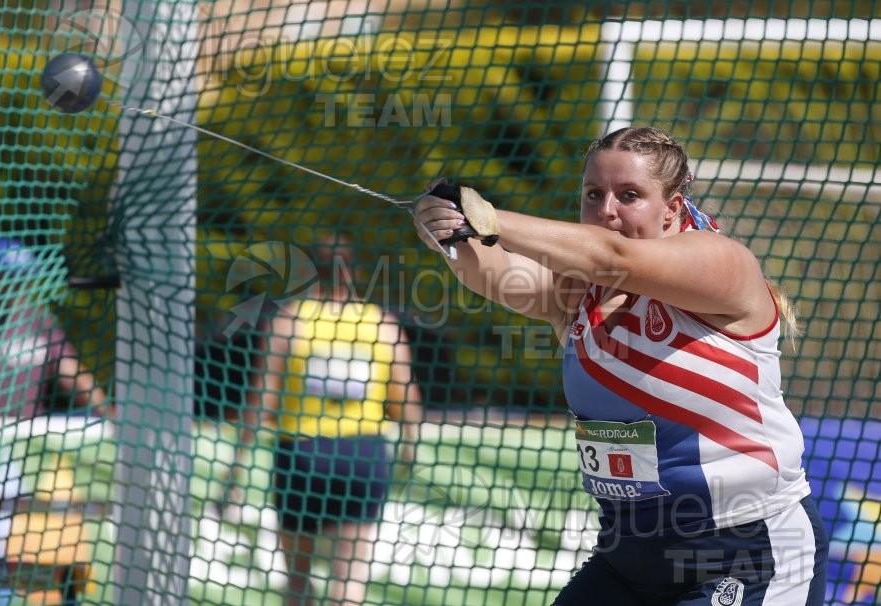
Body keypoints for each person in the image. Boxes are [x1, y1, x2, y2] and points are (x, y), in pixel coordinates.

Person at [412, 126, 828, 606]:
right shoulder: (579, 292)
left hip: (746, 550)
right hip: (628, 555)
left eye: (629, 195)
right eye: (594, 194)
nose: (606, 210)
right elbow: (498, 274)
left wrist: (491, 218)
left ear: (672, 209)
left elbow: (615, 256)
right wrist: (451, 230)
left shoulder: (723, 262)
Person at [231, 233, 422, 606]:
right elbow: (407, 402)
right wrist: (408, 451)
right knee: (349, 584)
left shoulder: (288, 322)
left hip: (302, 457)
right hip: (362, 456)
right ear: (354, 272)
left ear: (310, 273)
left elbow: (261, 399)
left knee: (298, 581)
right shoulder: (382, 325)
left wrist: (237, 463)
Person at [0, 237, 111, 420]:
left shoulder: (36, 320)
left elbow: (70, 371)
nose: (15, 287)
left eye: (21, 279)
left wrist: (107, 412)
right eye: (8, 278)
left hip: (30, 432)